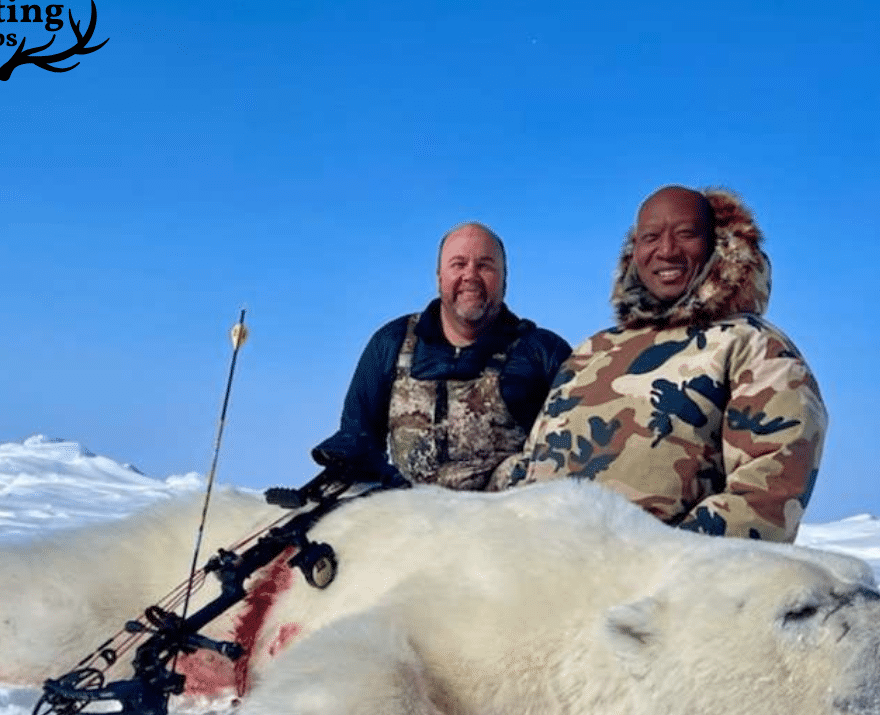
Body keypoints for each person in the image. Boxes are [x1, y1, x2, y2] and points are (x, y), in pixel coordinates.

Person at [492, 186, 827, 542]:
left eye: (686, 234)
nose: (666, 251)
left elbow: (768, 493)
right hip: (547, 572)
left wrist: (662, 564)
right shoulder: (592, 351)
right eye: (651, 237)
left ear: (719, 243)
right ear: (634, 251)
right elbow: (531, 464)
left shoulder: (752, 345)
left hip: (665, 586)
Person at [312, 222, 570, 490]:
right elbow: (357, 438)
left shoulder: (542, 352)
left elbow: (571, 451)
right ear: (439, 277)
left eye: (484, 265)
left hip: (506, 521)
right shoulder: (390, 343)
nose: (470, 275)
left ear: (504, 279)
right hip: (407, 518)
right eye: (458, 264)